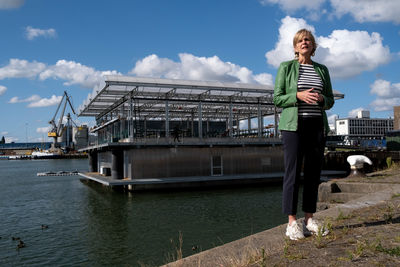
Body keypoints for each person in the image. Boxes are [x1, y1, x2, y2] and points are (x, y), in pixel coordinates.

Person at [273, 29, 335, 240]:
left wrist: (321, 100)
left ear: (313, 46)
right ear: (295, 46)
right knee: (292, 173)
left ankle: (309, 219)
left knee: (312, 173)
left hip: (317, 125)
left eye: (308, 39)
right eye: (300, 40)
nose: (305, 42)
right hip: (293, 127)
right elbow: (277, 98)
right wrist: (297, 95)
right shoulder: (286, 67)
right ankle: (292, 222)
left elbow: (330, 99)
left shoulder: (322, 70)